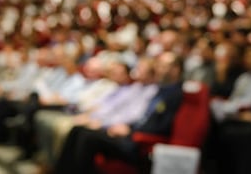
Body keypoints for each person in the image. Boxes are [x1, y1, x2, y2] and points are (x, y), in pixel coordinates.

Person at [54, 51, 184, 174]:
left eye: (163, 66)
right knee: (78, 130)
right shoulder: (161, 90)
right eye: (158, 65)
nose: (159, 69)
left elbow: (160, 125)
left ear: (176, 69)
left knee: (88, 138)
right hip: (129, 133)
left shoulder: (174, 94)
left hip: (137, 142)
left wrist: (130, 131)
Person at [210, 44, 251, 122]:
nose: (247, 59)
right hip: (232, 110)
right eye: (246, 56)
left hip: (248, 114)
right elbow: (233, 98)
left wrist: (229, 107)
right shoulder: (243, 77)